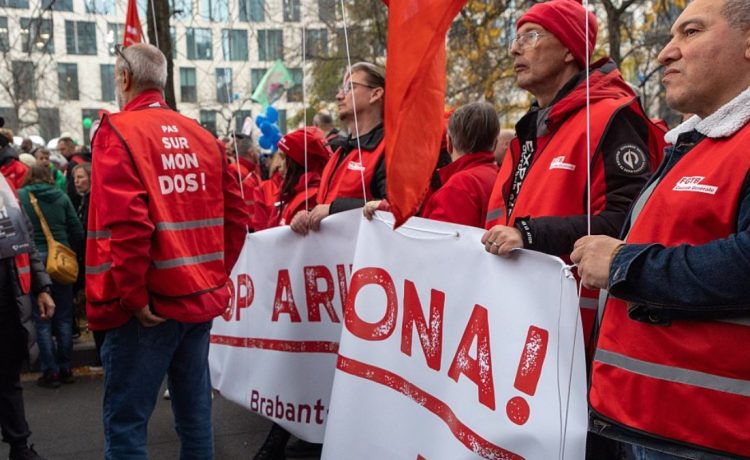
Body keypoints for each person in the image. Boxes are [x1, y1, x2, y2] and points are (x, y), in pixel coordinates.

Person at [571, 0, 750, 458]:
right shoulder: (698, 143)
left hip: (711, 436)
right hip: (652, 422)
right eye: (670, 35)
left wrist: (623, 264)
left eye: (691, 32)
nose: (665, 52)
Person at [86, 43, 248, 459]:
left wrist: (133, 296)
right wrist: (213, 277)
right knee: (195, 418)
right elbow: (237, 217)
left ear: (124, 78)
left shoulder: (117, 132)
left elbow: (129, 225)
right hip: (196, 301)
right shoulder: (202, 136)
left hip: (146, 309)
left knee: (127, 427)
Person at [481, 0, 665, 348]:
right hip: (521, 320)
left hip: (577, 337)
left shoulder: (612, 116)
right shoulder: (532, 130)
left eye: (530, 36)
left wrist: (529, 234)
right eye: (515, 39)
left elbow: (628, 221)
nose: (514, 49)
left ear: (569, 49)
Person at [251, 127, 330, 458]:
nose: (278, 165)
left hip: (302, 296)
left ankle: (277, 445)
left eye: (285, 158)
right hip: (290, 294)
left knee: (294, 368)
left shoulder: (308, 196)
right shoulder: (295, 193)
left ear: (298, 161)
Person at [290, 62, 386, 235]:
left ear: (375, 94)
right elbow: (325, 206)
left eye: (350, 88)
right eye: (341, 89)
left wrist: (333, 209)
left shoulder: (388, 150)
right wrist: (308, 215)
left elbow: (397, 210)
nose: (339, 96)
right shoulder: (339, 152)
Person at [0, 174, 54, 460]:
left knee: (8, 378)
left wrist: (41, 287)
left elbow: (26, 239)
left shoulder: (4, 188)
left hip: (9, 301)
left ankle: (20, 447)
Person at [18, 165, 83, 388]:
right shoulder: (61, 197)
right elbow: (77, 230)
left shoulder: (21, 196)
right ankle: (66, 367)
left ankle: (51, 371)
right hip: (61, 259)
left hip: (35, 261)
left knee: (42, 318)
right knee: (64, 316)